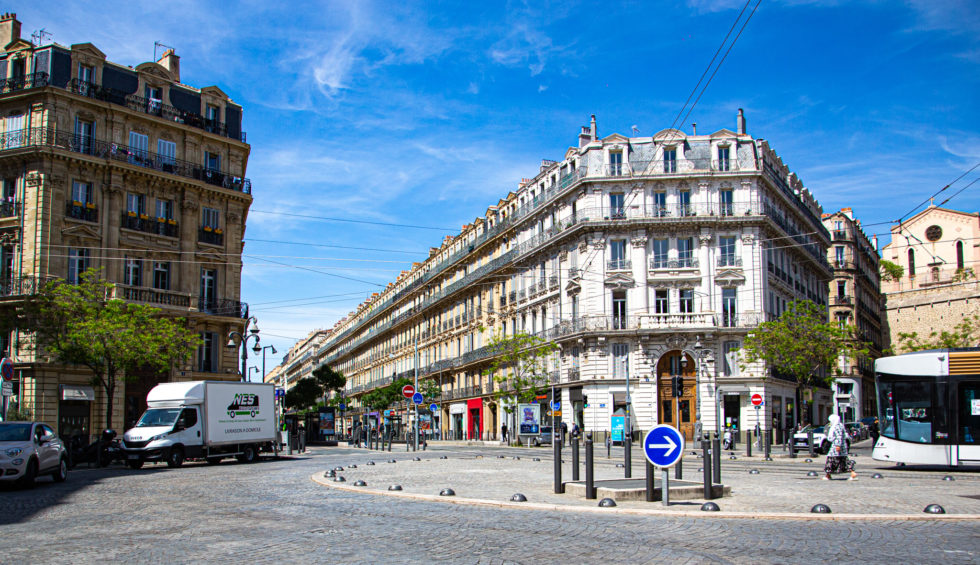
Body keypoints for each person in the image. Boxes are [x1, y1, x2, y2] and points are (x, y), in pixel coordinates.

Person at [823, 414, 856, 480]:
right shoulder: (840, 425)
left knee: (830, 460)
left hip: (836, 446)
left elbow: (838, 436)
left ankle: (828, 475)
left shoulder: (837, 426)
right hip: (841, 446)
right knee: (843, 460)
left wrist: (838, 445)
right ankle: (852, 473)